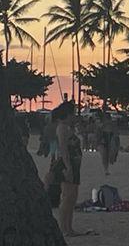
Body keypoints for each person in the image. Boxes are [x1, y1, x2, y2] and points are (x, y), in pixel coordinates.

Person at [54, 101, 83, 237]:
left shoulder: (69, 128)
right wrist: (68, 167)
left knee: (73, 198)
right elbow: (63, 149)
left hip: (75, 165)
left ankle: (70, 228)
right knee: (67, 197)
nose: (74, 116)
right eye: (73, 113)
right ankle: (63, 228)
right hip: (67, 165)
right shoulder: (62, 128)